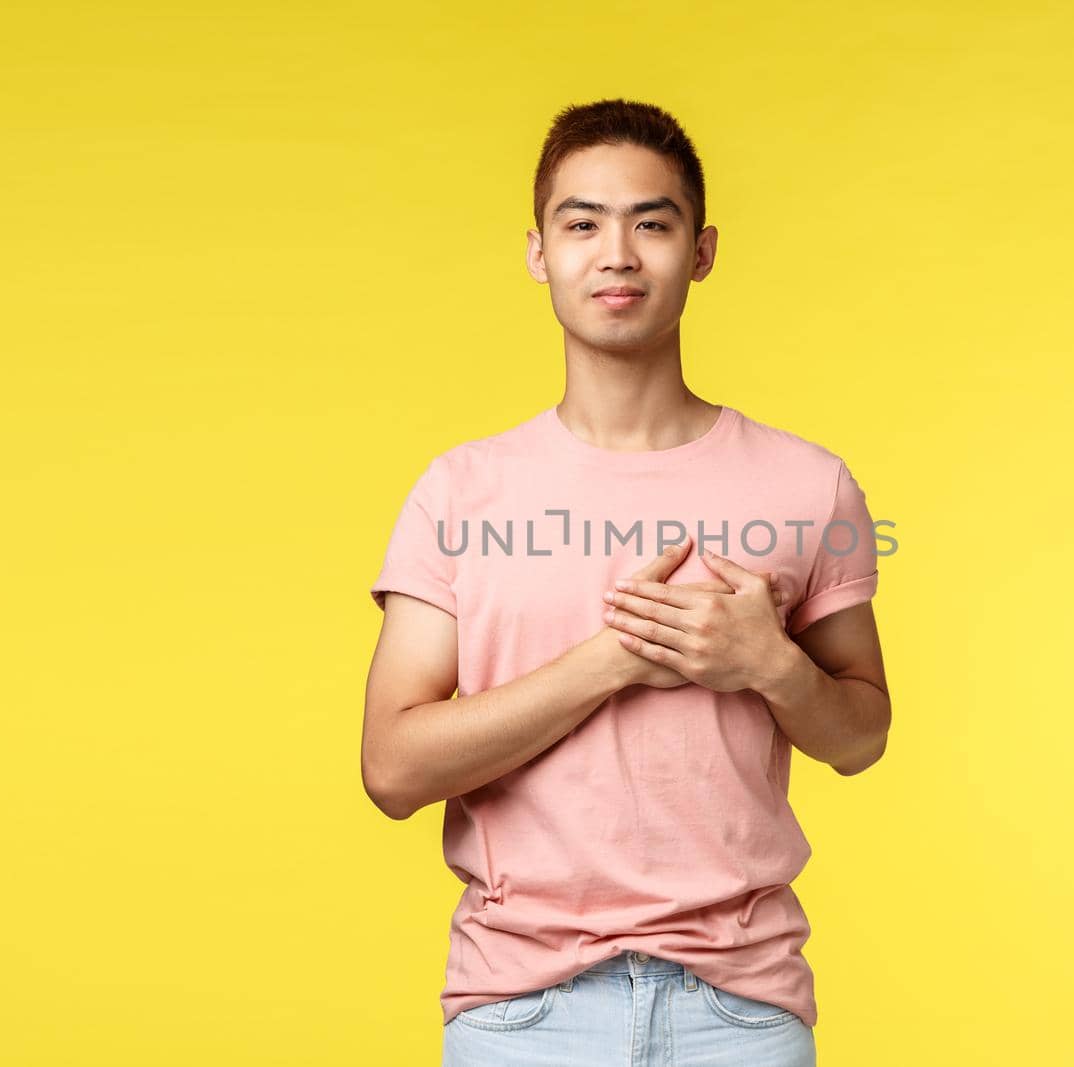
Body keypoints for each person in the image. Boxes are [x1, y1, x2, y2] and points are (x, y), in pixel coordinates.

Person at [363, 98, 891, 1067]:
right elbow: (392, 770)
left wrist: (768, 663)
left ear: (701, 250)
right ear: (538, 252)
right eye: (581, 223)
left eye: (651, 222)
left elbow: (861, 736)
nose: (617, 253)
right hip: (519, 1010)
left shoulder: (808, 483)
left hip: (739, 1008)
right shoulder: (460, 490)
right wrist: (610, 661)